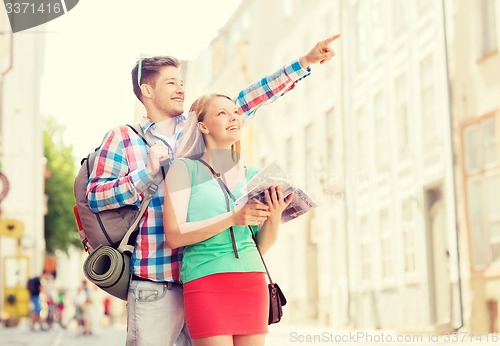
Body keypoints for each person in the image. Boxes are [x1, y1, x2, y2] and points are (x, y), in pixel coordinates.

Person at [87, 34, 340, 346]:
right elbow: (96, 197)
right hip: (158, 279)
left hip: (208, 273)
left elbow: (253, 97)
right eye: (170, 83)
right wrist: (146, 173)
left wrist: (305, 62)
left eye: (181, 81)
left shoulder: (194, 130)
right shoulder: (124, 138)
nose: (181, 87)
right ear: (147, 90)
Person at [163, 93, 293, 346]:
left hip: (252, 281)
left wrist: (275, 215)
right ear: (202, 126)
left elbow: (260, 246)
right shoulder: (184, 168)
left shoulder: (255, 177)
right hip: (206, 280)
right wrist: (233, 218)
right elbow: (174, 235)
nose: (233, 116)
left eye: (235, 112)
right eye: (222, 113)